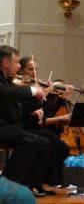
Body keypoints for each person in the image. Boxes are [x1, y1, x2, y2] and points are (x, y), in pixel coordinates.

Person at [0, 45, 52, 197]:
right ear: (5, 62)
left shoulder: (6, 80)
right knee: (30, 141)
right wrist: (31, 90)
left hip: (10, 127)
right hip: (4, 127)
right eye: (16, 62)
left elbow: (16, 102)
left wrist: (39, 98)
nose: (18, 66)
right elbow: (5, 93)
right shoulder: (4, 83)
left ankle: (26, 183)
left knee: (42, 143)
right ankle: (6, 185)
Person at [19, 56, 71, 188]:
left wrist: (61, 98)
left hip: (35, 127)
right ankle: (38, 182)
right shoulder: (22, 87)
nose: (34, 73)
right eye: (30, 69)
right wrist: (45, 93)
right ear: (22, 70)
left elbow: (47, 112)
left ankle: (52, 180)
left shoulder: (36, 86)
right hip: (24, 126)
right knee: (49, 141)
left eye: (36, 69)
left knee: (61, 146)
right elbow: (30, 109)